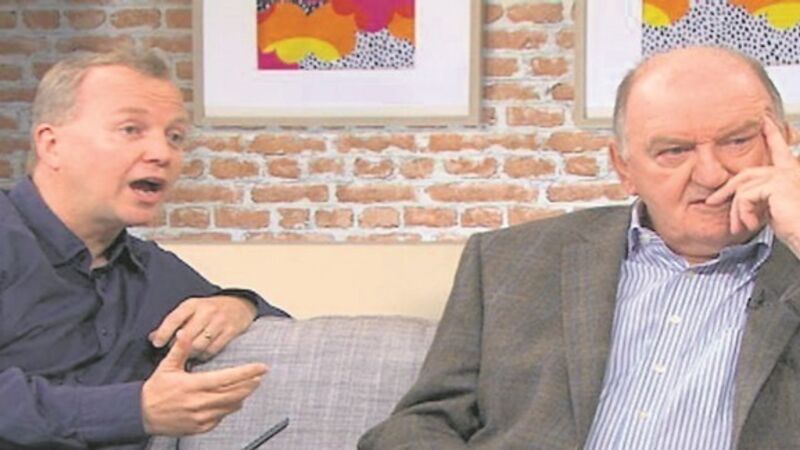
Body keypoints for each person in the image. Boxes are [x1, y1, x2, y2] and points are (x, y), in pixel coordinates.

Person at [359, 46, 800, 449]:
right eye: (673, 151)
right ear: (624, 168)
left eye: (737, 141)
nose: (711, 174)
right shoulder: (508, 262)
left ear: (782, 142)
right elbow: (418, 424)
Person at [0, 49, 289, 449]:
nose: (162, 153)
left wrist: (237, 305)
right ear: (52, 145)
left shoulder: (154, 272)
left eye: (175, 137)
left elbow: (285, 333)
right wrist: (134, 410)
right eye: (131, 129)